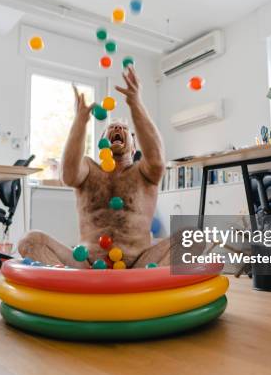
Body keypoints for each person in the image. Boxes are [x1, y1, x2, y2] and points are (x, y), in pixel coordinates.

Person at [18, 66, 169, 268]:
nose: (116, 129)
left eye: (124, 129)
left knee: (194, 237)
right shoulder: (89, 168)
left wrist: (135, 103)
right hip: (88, 264)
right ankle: (72, 285)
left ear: (134, 148)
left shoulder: (144, 171)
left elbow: (157, 159)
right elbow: (68, 175)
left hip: (139, 265)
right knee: (29, 241)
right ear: (100, 146)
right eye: (110, 129)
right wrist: (80, 121)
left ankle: (146, 286)